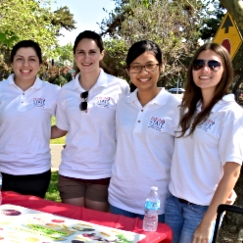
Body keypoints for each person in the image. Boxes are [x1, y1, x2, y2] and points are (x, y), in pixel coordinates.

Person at [165, 43, 243, 243]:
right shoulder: (187, 108)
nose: (204, 69)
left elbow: (233, 171)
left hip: (202, 210)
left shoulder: (231, 114)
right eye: (198, 64)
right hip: (173, 202)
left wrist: (209, 221)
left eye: (213, 64)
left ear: (225, 70)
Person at [51, 30, 130, 212]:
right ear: (74, 55)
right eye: (81, 52)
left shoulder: (119, 87)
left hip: (104, 172)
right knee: (73, 228)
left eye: (92, 52)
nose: (86, 58)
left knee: (96, 231)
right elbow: (62, 128)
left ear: (101, 54)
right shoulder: (66, 91)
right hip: (70, 171)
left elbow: (125, 128)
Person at [108, 40, 181, 223]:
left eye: (150, 66)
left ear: (161, 66)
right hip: (119, 200)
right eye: (136, 67)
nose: (143, 73)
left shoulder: (176, 108)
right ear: (128, 70)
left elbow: (188, 155)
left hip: (157, 204)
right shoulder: (122, 104)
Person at [0, 40, 60, 198]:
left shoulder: (53, 92)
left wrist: (38, 132)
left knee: (30, 220)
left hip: (37, 172)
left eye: (32, 59)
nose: (25, 64)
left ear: (40, 64)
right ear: (12, 63)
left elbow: (65, 125)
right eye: (20, 59)